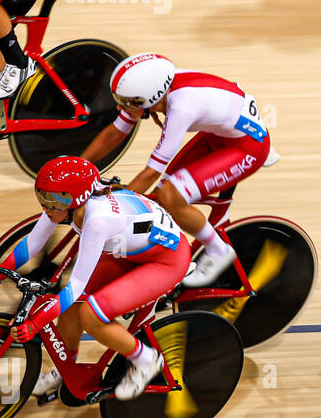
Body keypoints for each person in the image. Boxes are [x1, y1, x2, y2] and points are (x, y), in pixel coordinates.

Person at [0, 156, 187, 401]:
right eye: (43, 198)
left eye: (52, 201)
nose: (46, 207)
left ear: (75, 200)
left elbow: (75, 286)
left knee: (91, 315)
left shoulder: (96, 220)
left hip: (165, 262)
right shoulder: (65, 205)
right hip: (126, 250)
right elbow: (32, 244)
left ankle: (147, 360)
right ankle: (66, 369)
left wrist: (36, 323)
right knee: (71, 309)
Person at [80, 53, 275, 287]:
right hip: (220, 135)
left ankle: (218, 250)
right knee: (159, 201)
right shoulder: (151, 91)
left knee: (170, 195)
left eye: (126, 102)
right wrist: (80, 167)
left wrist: (116, 207)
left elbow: (151, 172)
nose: (119, 106)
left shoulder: (181, 108)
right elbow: (114, 133)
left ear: (150, 98)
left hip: (248, 147)